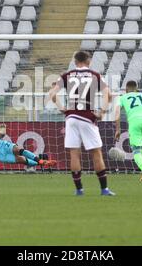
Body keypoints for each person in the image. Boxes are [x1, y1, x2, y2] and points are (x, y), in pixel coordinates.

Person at [49, 50, 116, 196]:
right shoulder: (95, 75)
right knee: (96, 153)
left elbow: (52, 94)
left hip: (71, 117)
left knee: (74, 153)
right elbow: (108, 95)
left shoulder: (66, 75)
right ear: (89, 61)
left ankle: (79, 190)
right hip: (87, 116)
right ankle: (104, 189)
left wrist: (62, 109)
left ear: (75, 62)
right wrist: (102, 112)